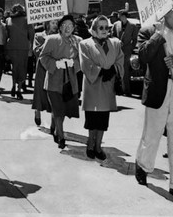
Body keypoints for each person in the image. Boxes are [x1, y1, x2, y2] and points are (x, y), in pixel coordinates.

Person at [134, 0, 173, 204]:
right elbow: (143, 56)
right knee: (152, 134)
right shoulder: (148, 31)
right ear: (165, 14)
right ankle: (142, 166)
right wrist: (158, 35)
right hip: (157, 90)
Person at [79, 15, 124, 160]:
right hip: (93, 86)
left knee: (103, 119)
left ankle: (98, 146)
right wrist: (100, 71)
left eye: (107, 27)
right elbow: (85, 64)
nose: (104, 30)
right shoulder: (85, 44)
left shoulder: (115, 43)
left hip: (108, 85)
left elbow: (120, 59)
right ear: (94, 29)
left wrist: (114, 70)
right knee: (92, 119)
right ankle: (90, 144)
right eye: (101, 27)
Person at [39, 14, 81, 150]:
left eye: (70, 26)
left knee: (62, 110)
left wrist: (73, 63)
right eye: (64, 26)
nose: (67, 28)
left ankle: (55, 126)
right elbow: (43, 57)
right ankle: (61, 136)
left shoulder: (78, 41)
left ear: (74, 27)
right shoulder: (52, 40)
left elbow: (83, 60)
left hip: (70, 81)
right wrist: (55, 64)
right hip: (54, 81)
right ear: (60, 27)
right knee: (58, 110)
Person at [32, 19, 58, 130]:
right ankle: (37, 111)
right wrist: (47, 42)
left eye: (57, 23)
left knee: (54, 92)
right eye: (53, 23)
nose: (55, 25)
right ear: (47, 24)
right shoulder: (38, 36)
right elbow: (37, 51)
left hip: (54, 67)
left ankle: (54, 123)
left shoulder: (59, 37)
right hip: (42, 66)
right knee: (40, 90)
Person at [5, 4, 34, 99]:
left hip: (12, 47)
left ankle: (14, 85)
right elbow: (31, 34)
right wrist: (31, 47)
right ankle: (19, 90)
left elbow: (7, 35)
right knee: (22, 69)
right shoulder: (27, 20)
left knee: (14, 68)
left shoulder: (8, 20)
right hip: (23, 47)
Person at [111, 10, 138, 96]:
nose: (119, 17)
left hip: (127, 50)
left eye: (121, 15)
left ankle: (126, 90)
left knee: (125, 70)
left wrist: (131, 47)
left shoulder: (132, 26)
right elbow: (112, 36)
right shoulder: (116, 25)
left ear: (125, 16)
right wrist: (117, 41)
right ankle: (118, 89)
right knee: (117, 69)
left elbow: (135, 39)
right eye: (119, 15)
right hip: (117, 49)